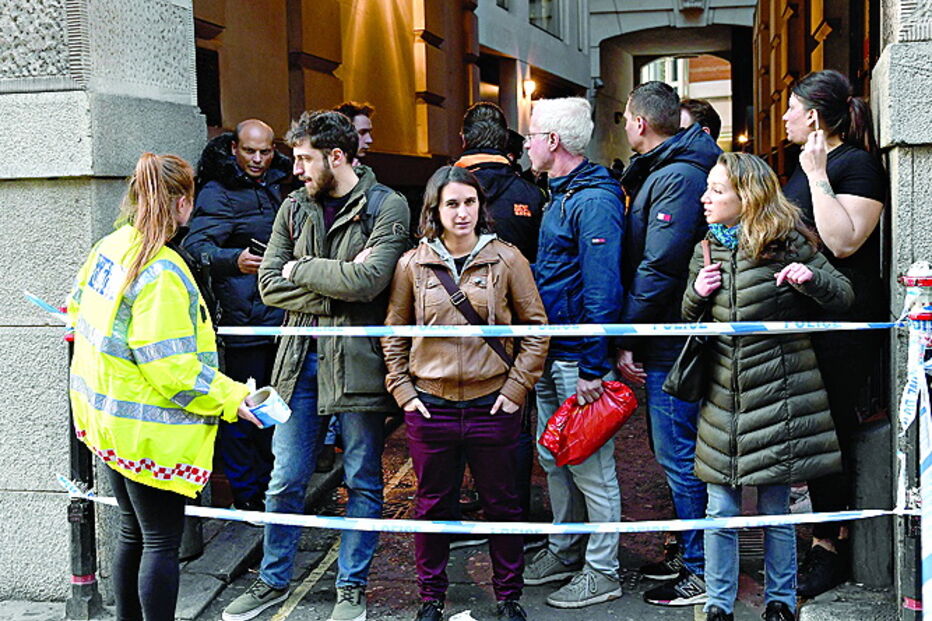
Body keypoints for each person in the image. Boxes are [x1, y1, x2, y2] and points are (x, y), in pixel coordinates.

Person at [222, 110, 410, 621]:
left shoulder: (386, 205)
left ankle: (352, 586)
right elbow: (269, 285)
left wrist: (299, 269)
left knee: (363, 478)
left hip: (358, 363)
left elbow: (371, 281)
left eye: (305, 158)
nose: (296, 168)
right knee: (285, 478)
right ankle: (272, 580)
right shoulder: (293, 206)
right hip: (299, 360)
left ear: (337, 156)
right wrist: (337, 285)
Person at [67, 153, 261, 621]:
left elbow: (75, 310)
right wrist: (234, 398)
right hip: (151, 432)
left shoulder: (111, 247)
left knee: (133, 533)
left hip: (109, 421)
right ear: (182, 203)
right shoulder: (163, 270)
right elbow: (172, 368)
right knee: (159, 542)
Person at [684, 152, 854, 621]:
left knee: (776, 508)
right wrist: (697, 293)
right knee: (720, 511)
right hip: (723, 397)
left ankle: (780, 601)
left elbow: (843, 294)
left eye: (717, 190)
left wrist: (810, 278)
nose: (705, 198)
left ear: (748, 196)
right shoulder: (706, 247)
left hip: (780, 395)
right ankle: (718, 606)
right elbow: (687, 317)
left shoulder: (786, 241)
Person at [381, 165, 549, 621]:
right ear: (434, 209)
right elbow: (393, 330)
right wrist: (403, 390)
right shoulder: (413, 264)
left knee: (503, 505)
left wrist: (516, 388)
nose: (462, 213)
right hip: (430, 407)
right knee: (432, 506)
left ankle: (508, 597)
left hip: (492, 404)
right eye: (452, 204)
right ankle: (431, 598)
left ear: (481, 207)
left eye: (469, 202)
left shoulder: (507, 259)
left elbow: (537, 328)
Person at [781, 69, 887, 597]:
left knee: (832, 430)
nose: (784, 117)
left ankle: (832, 545)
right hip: (808, 315)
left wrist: (819, 175)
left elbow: (844, 242)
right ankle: (821, 534)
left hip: (843, 321)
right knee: (811, 430)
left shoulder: (856, 165)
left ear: (813, 116)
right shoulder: (803, 163)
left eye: (791, 108)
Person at [616, 81, 721, 607]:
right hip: (670, 332)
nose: (624, 126)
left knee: (679, 453)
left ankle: (700, 569)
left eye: (625, 118)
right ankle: (690, 553)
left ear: (640, 123)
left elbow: (659, 264)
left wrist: (628, 331)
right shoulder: (670, 168)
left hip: (671, 337)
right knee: (675, 451)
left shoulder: (676, 175)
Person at [523, 96, 626, 609]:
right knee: (554, 457)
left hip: (575, 359)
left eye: (531, 136)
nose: (526, 144)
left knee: (590, 466)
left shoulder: (593, 201)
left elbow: (603, 288)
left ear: (553, 142)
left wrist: (592, 365)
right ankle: (565, 548)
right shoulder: (561, 194)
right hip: (553, 351)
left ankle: (602, 571)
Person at [183, 119, 290, 512]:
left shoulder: (278, 182)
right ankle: (248, 496)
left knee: (272, 408)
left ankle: (270, 489)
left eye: (265, 151)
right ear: (234, 149)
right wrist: (233, 260)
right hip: (243, 319)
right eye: (250, 151)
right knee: (244, 409)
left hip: (279, 315)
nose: (258, 159)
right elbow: (195, 246)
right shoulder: (218, 191)